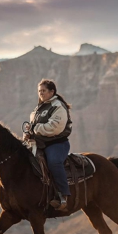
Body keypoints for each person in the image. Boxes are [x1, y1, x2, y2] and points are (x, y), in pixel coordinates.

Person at [23, 79, 72, 210]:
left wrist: (35, 129)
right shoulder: (38, 108)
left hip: (56, 144)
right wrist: (28, 133)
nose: (41, 94)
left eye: (44, 91)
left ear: (52, 92)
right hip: (38, 143)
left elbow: (54, 128)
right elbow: (32, 127)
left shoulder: (58, 106)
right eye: (39, 91)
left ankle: (63, 196)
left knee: (54, 162)